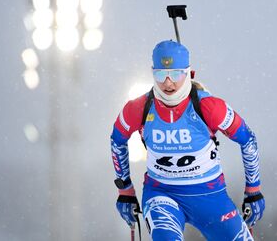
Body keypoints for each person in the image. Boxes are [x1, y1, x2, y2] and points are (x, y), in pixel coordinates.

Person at [111, 40, 265, 240]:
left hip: (210, 198)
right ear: (152, 73)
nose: (168, 82)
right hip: (162, 195)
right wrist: (125, 191)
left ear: (188, 73)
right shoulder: (138, 108)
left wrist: (254, 191)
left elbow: (248, 140)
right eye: (160, 74)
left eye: (175, 74)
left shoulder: (209, 107)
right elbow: (117, 141)